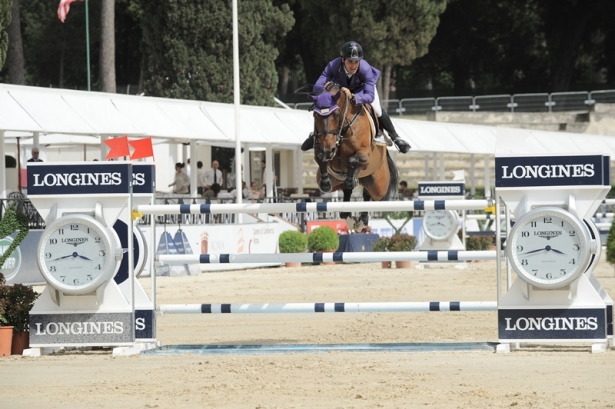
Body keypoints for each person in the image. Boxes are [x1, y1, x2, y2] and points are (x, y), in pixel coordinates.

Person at [301, 41, 410, 154]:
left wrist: (353, 96)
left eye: (356, 62)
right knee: (323, 107)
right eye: (350, 61)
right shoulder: (334, 65)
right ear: (343, 59)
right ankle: (315, 136)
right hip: (341, 89)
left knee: (377, 109)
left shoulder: (365, 69)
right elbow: (317, 86)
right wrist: (326, 88)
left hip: (362, 90)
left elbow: (369, 96)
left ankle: (395, 137)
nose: (353, 65)